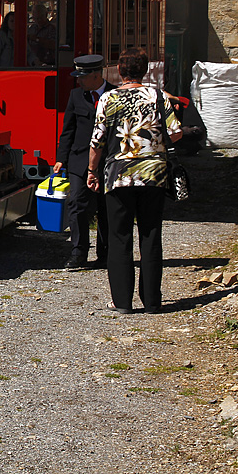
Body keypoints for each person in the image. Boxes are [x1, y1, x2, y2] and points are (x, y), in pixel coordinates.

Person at [86, 49, 181, 314]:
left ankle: (122, 301)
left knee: (119, 236)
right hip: (154, 174)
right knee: (151, 235)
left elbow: (97, 141)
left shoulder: (108, 98)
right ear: (146, 69)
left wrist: (92, 171)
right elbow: (174, 134)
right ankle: (152, 301)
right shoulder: (158, 96)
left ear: (119, 69)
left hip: (119, 175)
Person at [54, 54, 115, 269]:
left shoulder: (114, 94)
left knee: (106, 208)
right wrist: (61, 158)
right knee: (77, 204)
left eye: (83, 76)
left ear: (96, 75)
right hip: (80, 159)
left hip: (108, 161)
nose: (79, 81)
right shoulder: (76, 96)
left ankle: (106, 252)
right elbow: (68, 129)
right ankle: (79, 251)